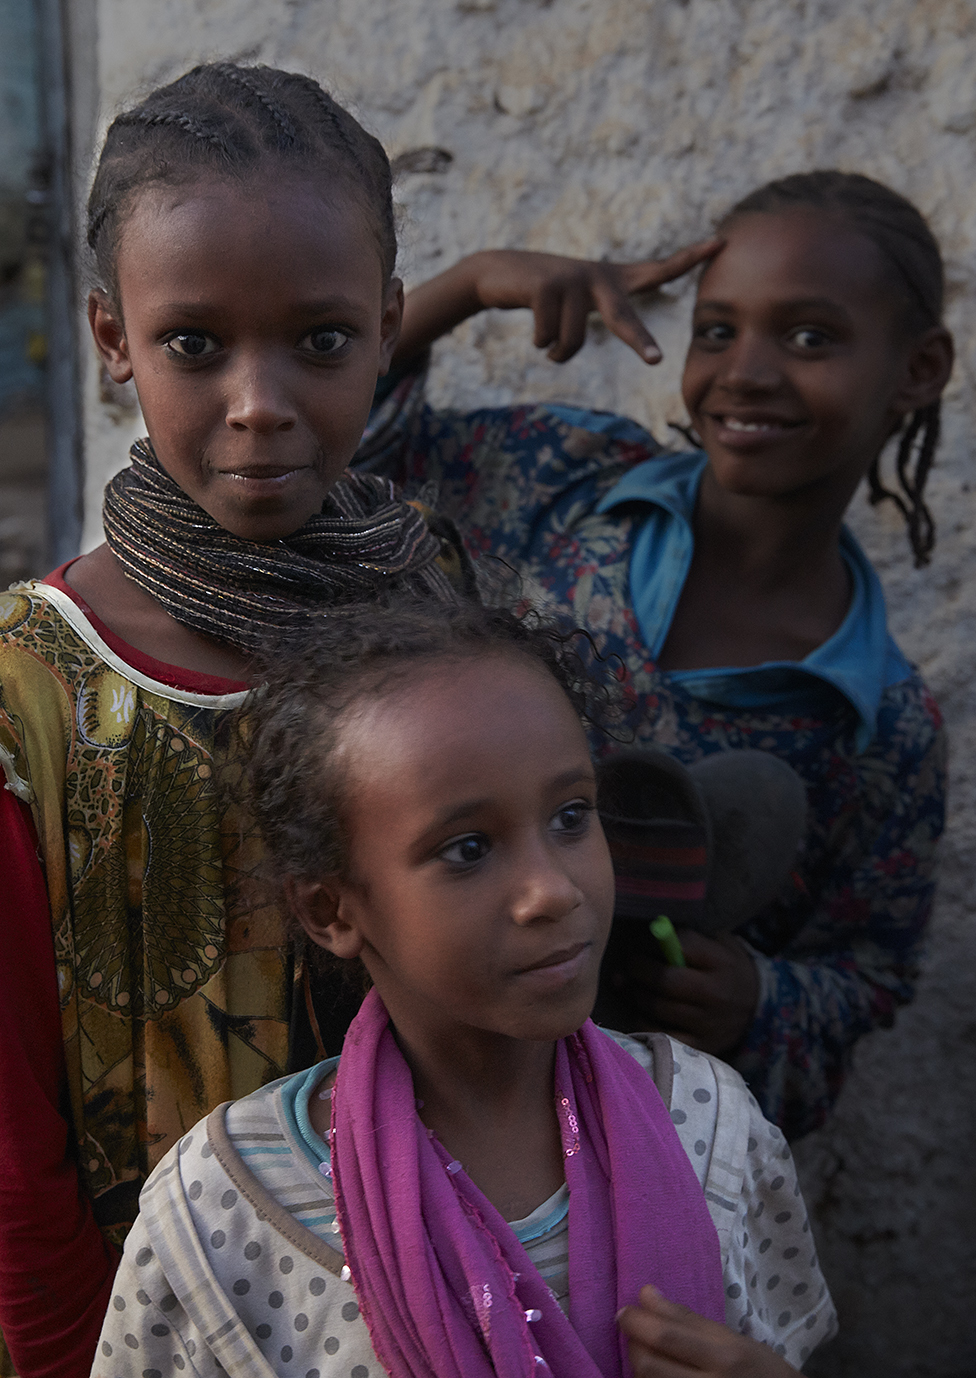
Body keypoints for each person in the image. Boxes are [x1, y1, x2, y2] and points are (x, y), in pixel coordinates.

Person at [0, 63, 469, 1378]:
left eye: (318, 341)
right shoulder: (29, 699)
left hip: (443, 1308)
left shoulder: (436, 602)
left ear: (384, 328)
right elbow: (10, 1145)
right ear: (110, 339)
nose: (260, 403)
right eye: (195, 344)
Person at [354, 171, 953, 1141]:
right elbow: (349, 439)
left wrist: (759, 997)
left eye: (808, 337)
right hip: (416, 1079)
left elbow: (870, 974)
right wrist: (466, 285)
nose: (746, 372)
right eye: (716, 331)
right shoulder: (572, 478)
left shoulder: (878, 725)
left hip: (629, 1153)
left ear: (919, 367)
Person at [93, 599, 837, 1377]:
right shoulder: (226, 1213)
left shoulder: (709, 1126)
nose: (551, 891)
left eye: (572, 816)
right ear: (331, 909)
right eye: (469, 849)